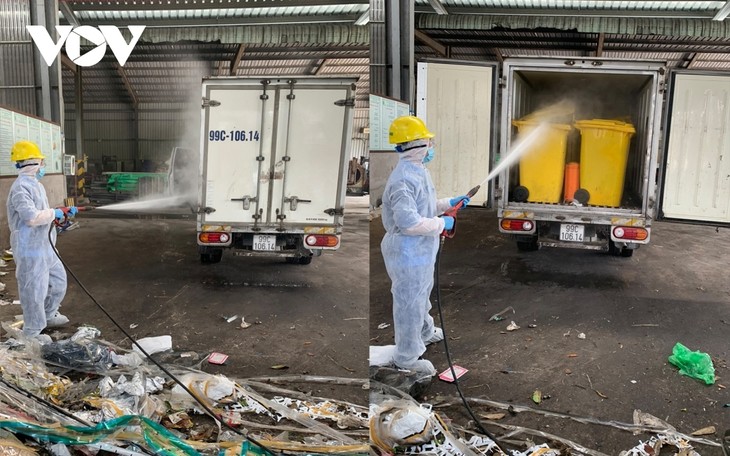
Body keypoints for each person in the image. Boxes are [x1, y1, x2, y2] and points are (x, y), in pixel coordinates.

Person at [380, 116, 471, 375]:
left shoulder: (418, 171)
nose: (432, 145)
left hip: (421, 248)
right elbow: (408, 222)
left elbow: (424, 206)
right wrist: (443, 224)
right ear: (418, 145)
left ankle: (425, 331)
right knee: (409, 301)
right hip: (407, 249)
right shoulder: (402, 180)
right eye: (429, 142)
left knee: (422, 293)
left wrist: (449, 203)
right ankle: (407, 358)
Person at [7, 140, 77, 344]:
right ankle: (32, 329)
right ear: (32, 163)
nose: (43, 166)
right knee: (33, 288)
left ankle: (48, 314)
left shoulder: (35, 185)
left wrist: (59, 214)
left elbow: (42, 212)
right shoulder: (20, 188)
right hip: (30, 248)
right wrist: (54, 212)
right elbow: (30, 217)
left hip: (45, 246)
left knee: (58, 281)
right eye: (41, 162)